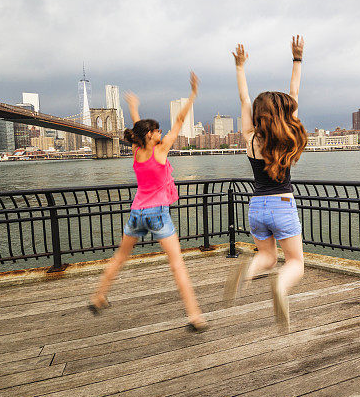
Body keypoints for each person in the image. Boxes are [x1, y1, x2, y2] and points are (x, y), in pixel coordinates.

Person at [90, 72, 207, 332]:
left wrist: (133, 108)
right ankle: (194, 315)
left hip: (137, 212)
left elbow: (139, 129)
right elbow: (179, 120)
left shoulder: (137, 149)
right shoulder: (161, 150)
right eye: (158, 131)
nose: (162, 133)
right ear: (153, 135)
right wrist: (193, 95)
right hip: (157, 213)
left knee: (120, 257)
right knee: (177, 264)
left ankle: (99, 296)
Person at [224, 35, 307, 333]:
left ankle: (248, 271)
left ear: (259, 116)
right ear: (285, 114)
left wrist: (240, 66)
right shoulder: (289, 137)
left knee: (267, 257)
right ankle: (281, 289)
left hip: (256, 205)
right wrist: (297, 60)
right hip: (283, 203)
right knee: (294, 262)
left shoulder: (251, 139)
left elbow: (244, 99)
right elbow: (293, 92)